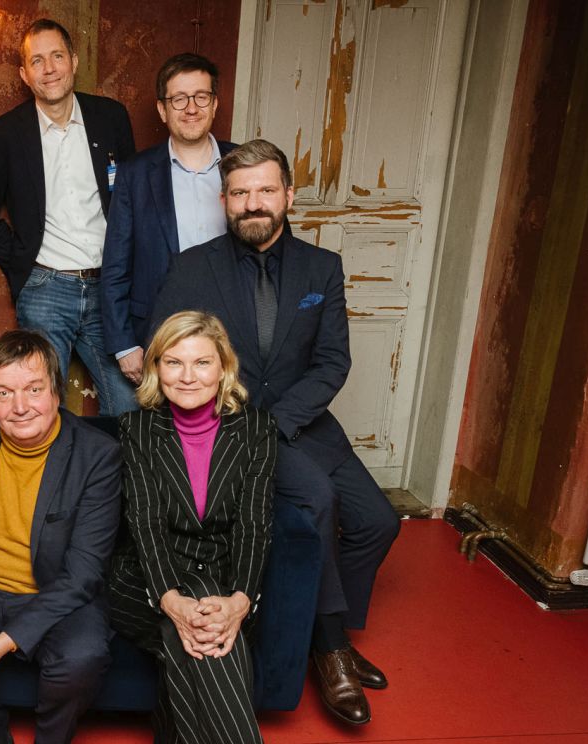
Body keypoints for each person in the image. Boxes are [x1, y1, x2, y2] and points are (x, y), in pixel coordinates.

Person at [148, 139, 401, 726]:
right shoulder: (193, 267)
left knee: (378, 523)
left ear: (288, 195)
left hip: (304, 422)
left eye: (265, 190)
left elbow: (332, 361)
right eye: (240, 193)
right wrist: (240, 423)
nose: (252, 203)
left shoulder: (322, 268)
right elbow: (169, 351)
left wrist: (280, 420)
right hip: (231, 427)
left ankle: (316, 626)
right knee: (316, 500)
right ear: (224, 200)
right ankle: (332, 647)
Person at [0, 329, 122, 744]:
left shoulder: (98, 455)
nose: (19, 407)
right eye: (4, 393)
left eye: (33, 389)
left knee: (82, 658)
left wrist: (1, 644)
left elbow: (84, 574)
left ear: (55, 391)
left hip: (57, 593)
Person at [108, 311, 274, 743]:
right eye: (173, 362)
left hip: (225, 579)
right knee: (208, 634)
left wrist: (240, 601)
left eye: (201, 362)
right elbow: (144, 524)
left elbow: (254, 523)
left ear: (224, 369)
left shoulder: (256, 429)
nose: (187, 377)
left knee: (204, 632)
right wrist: (171, 600)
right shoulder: (137, 429)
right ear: (156, 368)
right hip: (148, 582)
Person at [0, 19, 137, 415]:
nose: (49, 69)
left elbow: (134, 199)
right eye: (37, 60)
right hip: (46, 288)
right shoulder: (7, 132)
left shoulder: (110, 117)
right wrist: (21, 264)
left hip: (109, 287)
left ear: (74, 61)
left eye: (57, 57)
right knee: (41, 407)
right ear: (24, 74)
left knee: (130, 408)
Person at [102, 53, 235, 388]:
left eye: (201, 96)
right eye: (178, 99)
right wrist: (123, 344)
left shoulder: (244, 162)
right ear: (162, 109)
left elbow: (274, 248)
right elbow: (116, 262)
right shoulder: (135, 172)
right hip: (158, 331)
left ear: (215, 104)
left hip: (234, 328)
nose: (191, 108)